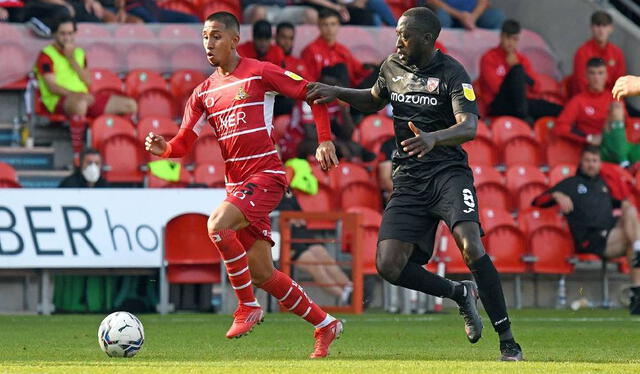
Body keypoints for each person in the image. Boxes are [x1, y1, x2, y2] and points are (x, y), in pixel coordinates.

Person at [306, 7, 523, 361]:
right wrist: (338, 91)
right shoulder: (392, 66)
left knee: (471, 246)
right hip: (408, 178)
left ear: (427, 39)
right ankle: (459, 294)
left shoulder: (453, 72)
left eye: (404, 35)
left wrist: (434, 139)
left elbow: (469, 127)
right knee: (389, 265)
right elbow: (374, 99)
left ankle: (508, 341)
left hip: (448, 174)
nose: (398, 41)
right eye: (397, 34)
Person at [144, 12, 342, 358]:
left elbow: (313, 92)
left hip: (266, 176)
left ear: (235, 40)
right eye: (205, 37)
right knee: (265, 273)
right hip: (237, 187)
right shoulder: (203, 93)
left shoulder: (259, 72)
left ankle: (247, 305)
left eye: (217, 36)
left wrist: (324, 139)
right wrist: (165, 149)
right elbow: (182, 143)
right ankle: (325, 323)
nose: (209, 44)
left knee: (217, 226)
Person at [532, 146, 640, 315]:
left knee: (630, 209)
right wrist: (556, 195)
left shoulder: (603, 184)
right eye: (588, 160)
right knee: (632, 242)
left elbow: (616, 204)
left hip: (611, 234)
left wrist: (624, 204)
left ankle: (637, 294)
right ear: (581, 163)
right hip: (590, 239)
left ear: (599, 164)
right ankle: (637, 289)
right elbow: (538, 201)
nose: (591, 164)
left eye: (595, 161)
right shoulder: (570, 184)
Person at [33, 16, 137, 164]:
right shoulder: (46, 55)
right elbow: (52, 86)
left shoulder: (79, 53)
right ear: (55, 34)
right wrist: (78, 95)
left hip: (84, 97)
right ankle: (77, 154)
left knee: (130, 105)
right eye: (63, 33)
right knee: (80, 104)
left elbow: (88, 80)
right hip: (58, 100)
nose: (67, 37)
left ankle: (112, 145)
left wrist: (72, 60)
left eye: (70, 33)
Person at [553, 58, 636, 165]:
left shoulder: (613, 97)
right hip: (597, 148)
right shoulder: (578, 101)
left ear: (606, 76)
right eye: (592, 73)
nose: (597, 78)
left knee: (616, 109)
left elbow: (626, 124)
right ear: (586, 76)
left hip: (615, 141)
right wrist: (588, 137)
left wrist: (608, 124)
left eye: (600, 73)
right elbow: (560, 127)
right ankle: (623, 161)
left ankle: (622, 159)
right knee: (616, 110)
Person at [477, 19, 561, 121]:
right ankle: (523, 116)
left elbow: (537, 87)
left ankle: (523, 113)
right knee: (517, 71)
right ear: (501, 36)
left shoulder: (521, 59)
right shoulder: (489, 58)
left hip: (521, 103)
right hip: (498, 104)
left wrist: (520, 71)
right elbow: (496, 89)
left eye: (515, 39)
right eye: (508, 38)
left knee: (557, 109)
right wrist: (515, 69)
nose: (511, 43)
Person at [277, 190, 353, 304]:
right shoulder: (263, 192)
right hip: (284, 238)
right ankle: (345, 297)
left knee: (323, 255)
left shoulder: (287, 191)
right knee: (315, 265)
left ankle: (350, 288)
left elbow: (300, 217)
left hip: (300, 233)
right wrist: (287, 221)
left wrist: (297, 220)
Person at [301, 8, 373, 87]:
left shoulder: (343, 50)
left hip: (348, 90)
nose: (329, 29)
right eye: (325, 24)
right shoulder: (310, 50)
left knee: (381, 69)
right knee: (340, 68)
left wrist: (368, 67)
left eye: (333, 24)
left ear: (338, 26)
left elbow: (358, 71)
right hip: (323, 92)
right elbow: (308, 79)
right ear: (319, 26)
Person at [571, 11, 626, 97]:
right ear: (591, 28)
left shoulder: (617, 53)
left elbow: (620, 83)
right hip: (586, 99)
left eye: (604, 26)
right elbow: (580, 83)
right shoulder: (582, 52)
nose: (601, 30)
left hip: (611, 100)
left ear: (611, 28)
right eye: (597, 26)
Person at [427, 0, 504, 30]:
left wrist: (473, 17)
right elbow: (432, 1)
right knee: (441, 18)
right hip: (448, 13)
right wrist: (460, 15)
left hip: (473, 16)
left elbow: (484, 1)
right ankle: (441, 56)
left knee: (497, 17)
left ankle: (495, 59)